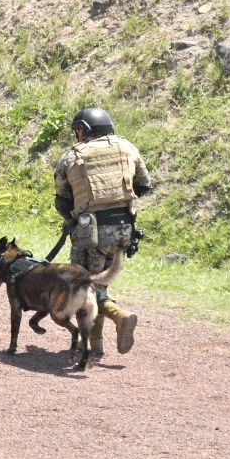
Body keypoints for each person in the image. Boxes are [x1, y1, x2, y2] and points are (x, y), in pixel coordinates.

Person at [52, 107, 154, 357]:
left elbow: (62, 201)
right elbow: (144, 185)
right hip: (124, 230)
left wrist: (74, 218)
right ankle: (95, 344)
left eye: (78, 131)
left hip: (91, 233)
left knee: (84, 286)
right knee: (100, 283)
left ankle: (119, 316)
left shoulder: (72, 156)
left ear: (84, 131)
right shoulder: (127, 148)